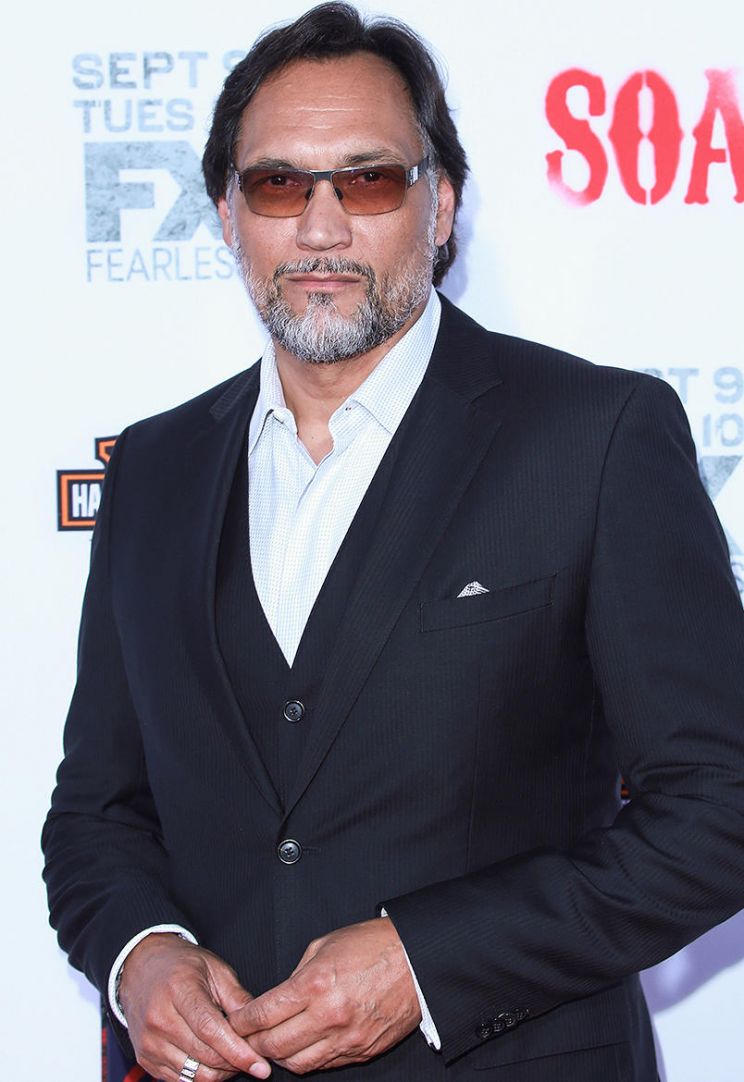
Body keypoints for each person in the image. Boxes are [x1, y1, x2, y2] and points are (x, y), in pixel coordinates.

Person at [43, 4, 744, 1081]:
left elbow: (721, 804)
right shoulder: (154, 468)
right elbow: (96, 813)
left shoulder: (594, 436)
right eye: (279, 183)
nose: (320, 228)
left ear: (442, 204)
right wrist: (141, 955)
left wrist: (430, 961)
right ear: (227, 214)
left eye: (368, 180)